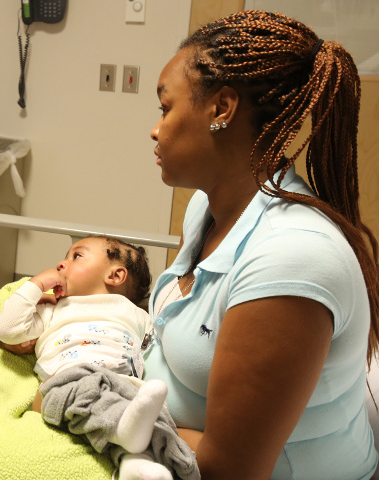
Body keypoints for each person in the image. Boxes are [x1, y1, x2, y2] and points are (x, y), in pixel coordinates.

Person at [142, 10, 379, 480]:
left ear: (221, 109)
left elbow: (229, 471)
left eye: (166, 108)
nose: (156, 128)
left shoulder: (292, 259)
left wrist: (113, 410)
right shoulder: (208, 210)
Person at [0, 236, 198, 480]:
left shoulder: (137, 314)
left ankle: (135, 464)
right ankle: (128, 437)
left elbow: (161, 342)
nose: (61, 263)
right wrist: (36, 284)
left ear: (115, 276)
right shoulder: (51, 308)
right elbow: (7, 329)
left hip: (122, 382)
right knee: (94, 398)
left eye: (76, 256)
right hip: (69, 379)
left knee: (157, 416)